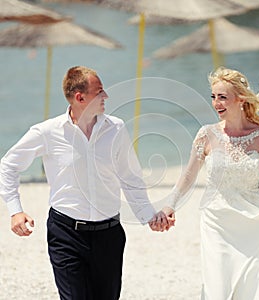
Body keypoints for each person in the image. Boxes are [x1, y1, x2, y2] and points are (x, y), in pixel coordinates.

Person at [0, 66, 170, 300]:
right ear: (80, 98)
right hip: (65, 234)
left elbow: (130, 176)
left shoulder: (116, 128)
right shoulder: (47, 132)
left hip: (109, 234)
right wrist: (15, 211)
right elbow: (8, 165)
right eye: (99, 91)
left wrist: (148, 215)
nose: (106, 96)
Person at [150, 67, 259, 299]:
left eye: (222, 97)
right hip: (217, 221)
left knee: (253, 287)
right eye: (213, 97)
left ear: (240, 99)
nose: (216, 103)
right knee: (218, 288)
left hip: (255, 222)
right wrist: (170, 206)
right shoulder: (206, 135)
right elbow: (188, 177)